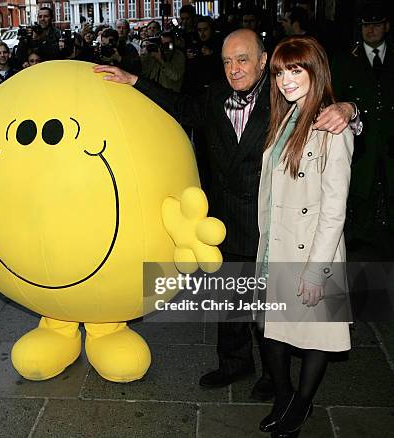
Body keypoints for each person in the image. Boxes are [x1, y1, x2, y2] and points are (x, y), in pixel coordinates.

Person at [93, 28, 358, 401]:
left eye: (243, 59)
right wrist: (134, 80)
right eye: (227, 61)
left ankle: (272, 375)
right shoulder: (217, 94)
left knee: (268, 308)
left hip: (267, 225)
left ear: (264, 61)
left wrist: (349, 110)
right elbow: (181, 106)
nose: (234, 69)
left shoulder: (282, 94)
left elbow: (330, 105)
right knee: (230, 300)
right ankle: (234, 363)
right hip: (224, 220)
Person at [257, 35, 353, 438]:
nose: (285, 79)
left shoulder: (333, 127)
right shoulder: (286, 118)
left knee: (315, 334)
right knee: (271, 328)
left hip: (311, 248)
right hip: (276, 244)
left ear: (316, 70)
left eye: (296, 69)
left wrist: (316, 272)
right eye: (280, 71)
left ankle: (301, 402)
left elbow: (334, 209)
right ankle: (284, 396)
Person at [331, 5, 393, 259]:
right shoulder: (346, 60)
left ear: (387, 26)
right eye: (366, 25)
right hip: (361, 151)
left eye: (377, 24)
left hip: (391, 149)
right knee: (359, 209)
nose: (371, 30)